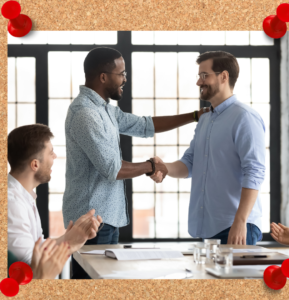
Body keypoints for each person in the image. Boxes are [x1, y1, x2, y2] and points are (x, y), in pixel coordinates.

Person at [63, 46, 209, 279]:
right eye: (121, 74)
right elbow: (113, 168)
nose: (125, 79)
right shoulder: (86, 113)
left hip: (107, 218)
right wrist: (151, 166)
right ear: (103, 77)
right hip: (91, 221)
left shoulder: (105, 110)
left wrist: (194, 116)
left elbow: (144, 125)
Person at [151, 51, 266, 245]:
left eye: (205, 75)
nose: (199, 82)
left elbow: (255, 172)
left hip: (236, 228)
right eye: (199, 76)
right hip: (209, 228)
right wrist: (164, 168)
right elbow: (190, 164)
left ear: (224, 76)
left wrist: (240, 221)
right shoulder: (204, 119)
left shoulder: (245, 118)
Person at [7, 124, 102, 276]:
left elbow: (35, 249)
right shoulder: (12, 202)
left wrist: (70, 238)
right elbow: (27, 265)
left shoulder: (24, 195)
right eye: (51, 153)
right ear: (35, 164)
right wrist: (69, 243)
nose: (55, 156)